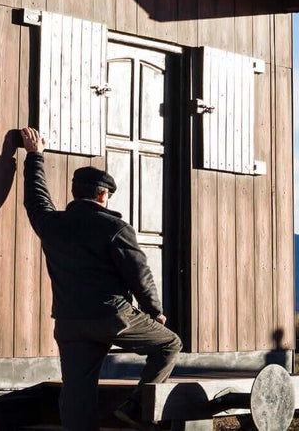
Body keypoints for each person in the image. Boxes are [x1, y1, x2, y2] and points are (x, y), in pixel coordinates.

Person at [20, 127, 181, 431]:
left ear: (74, 193)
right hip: (112, 316)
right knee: (169, 344)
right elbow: (139, 274)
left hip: (69, 322)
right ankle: (135, 409)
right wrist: (153, 311)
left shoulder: (52, 224)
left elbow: (36, 199)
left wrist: (34, 156)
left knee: (77, 391)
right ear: (104, 195)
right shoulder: (115, 228)